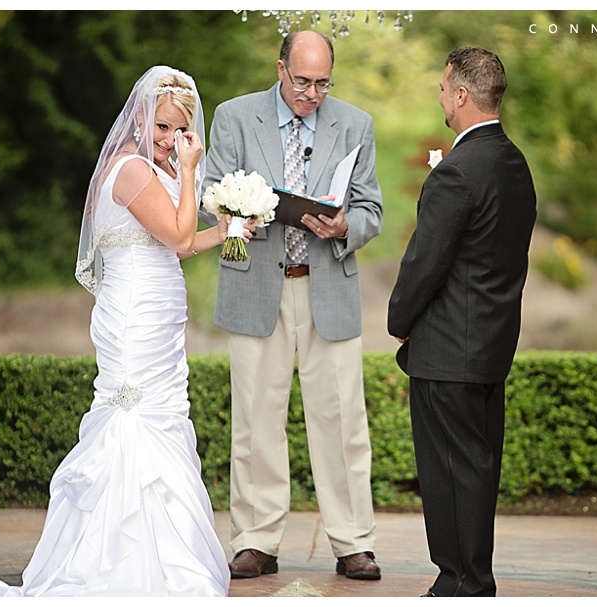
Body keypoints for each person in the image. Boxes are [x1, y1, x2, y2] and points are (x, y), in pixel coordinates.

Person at [0, 65, 251, 597]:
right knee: (133, 416)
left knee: (164, 415)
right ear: (141, 120)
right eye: (163, 128)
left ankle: (168, 552)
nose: (172, 141)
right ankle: (120, 559)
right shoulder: (130, 170)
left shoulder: (159, 169)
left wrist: (230, 229)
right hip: (132, 312)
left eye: (180, 130)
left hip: (162, 312)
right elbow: (174, 234)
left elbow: (187, 241)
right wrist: (192, 170)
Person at [201, 30, 383, 580]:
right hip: (256, 282)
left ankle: (354, 541)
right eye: (302, 81)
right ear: (279, 69)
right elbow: (211, 191)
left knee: (343, 418)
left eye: (322, 83)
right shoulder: (234, 117)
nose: (311, 93)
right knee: (255, 418)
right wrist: (244, 214)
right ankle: (256, 539)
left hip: (328, 282)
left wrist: (346, 223)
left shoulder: (356, 123)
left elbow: (372, 207)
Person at [387, 47, 537, 597]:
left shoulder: (457, 171)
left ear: (461, 95)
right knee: (476, 468)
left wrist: (399, 319)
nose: (440, 94)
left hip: (448, 346)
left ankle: (459, 582)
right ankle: (473, 579)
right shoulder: (514, 162)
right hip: (492, 344)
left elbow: (427, 260)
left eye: (443, 85)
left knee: (450, 471)